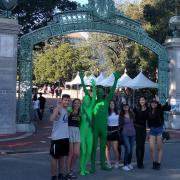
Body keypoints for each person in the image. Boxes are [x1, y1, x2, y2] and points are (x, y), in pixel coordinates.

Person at [49, 94, 70, 180]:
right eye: (65, 100)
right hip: (57, 138)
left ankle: (60, 174)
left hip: (65, 137)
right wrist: (57, 108)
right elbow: (51, 119)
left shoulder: (66, 110)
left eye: (68, 100)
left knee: (62, 157)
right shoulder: (57, 109)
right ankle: (54, 176)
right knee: (55, 158)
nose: (67, 102)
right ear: (61, 100)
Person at [148, 96, 171, 170]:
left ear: (157, 103)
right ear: (150, 103)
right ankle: (154, 162)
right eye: (152, 103)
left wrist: (169, 100)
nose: (153, 104)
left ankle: (158, 163)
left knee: (159, 148)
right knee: (151, 148)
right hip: (152, 130)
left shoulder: (160, 108)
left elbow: (167, 108)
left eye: (155, 103)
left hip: (159, 130)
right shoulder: (149, 110)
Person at [80, 80, 96, 176]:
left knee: (89, 151)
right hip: (82, 132)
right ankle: (81, 168)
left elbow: (94, 97)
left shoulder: (90, 107)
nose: (87, 101)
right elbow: (71, 110)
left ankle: (84, 167)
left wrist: (93, 87)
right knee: (84, 151)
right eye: (86, 99)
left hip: (90, 132)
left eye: (88, 100)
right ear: (83, 101)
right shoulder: (80, 109)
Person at [67, 98, 81, 179]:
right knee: (71, 153)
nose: (77, 104)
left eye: (78, 103)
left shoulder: (80, 113)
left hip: (77, 131)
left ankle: (71, 169)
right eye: (75, 103)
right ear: (73, 104)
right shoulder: (70, 111)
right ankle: (69, 172)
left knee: (77, 154)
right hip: (70, 131)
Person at [133, 96, 149, 169]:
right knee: (138, 145)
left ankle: (141, 161)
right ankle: (139, 162)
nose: (141, 101)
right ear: (139, 101)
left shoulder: (148, 109)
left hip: (143, 129)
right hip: (136, 128)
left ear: (145, 101)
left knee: (142, 146)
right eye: (140, 100)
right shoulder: (136, 109)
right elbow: (132, 117)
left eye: (143, 100)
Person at [120, 103, 136, 171]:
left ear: (128, 107)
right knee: (128, 149)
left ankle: (129, 163)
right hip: (125, 134)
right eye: (124, 106)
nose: (126, 107)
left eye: (127, 106)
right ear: (123, 108)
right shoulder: (121, 115)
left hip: (133, 134)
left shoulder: (132, 114)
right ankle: (125, 165)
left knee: (131, 150)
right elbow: (120, 125)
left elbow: (134, 123)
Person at [105, 100, 120, 169]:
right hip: (108, 130)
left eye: (113, 103)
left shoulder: (118, 112)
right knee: (107, 148)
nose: (111, 104)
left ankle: (117, 162)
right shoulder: (106, 112)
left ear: (115, 104)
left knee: (115, 148)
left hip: (115, 131)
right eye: (110, 103)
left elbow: (120, 122)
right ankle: (108, 162)